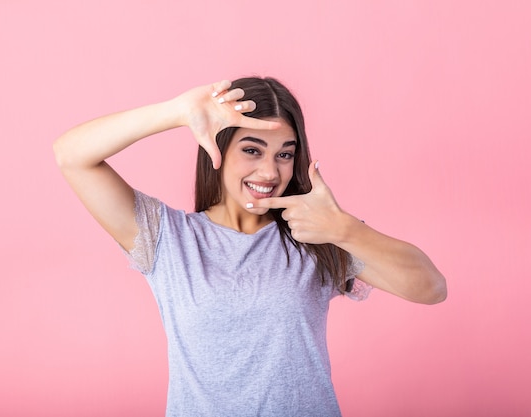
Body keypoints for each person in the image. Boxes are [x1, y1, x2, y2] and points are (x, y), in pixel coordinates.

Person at [53, 76, 447, 416]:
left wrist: (345, 229)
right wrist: (176, 112)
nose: (270, 172)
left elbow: (431, 288)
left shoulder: (318, 237)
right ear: (217, 148)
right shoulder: (168, 238)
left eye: (285, 155)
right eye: (252, 150)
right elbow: (71, 155)